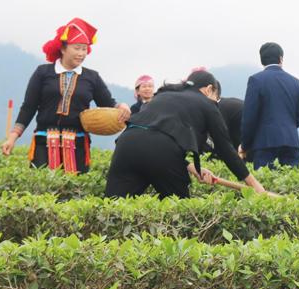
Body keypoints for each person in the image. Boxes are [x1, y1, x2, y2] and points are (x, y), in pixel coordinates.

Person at [105, 70, 266, 198]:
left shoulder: (163, 94)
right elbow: (226, 150)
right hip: (161, 151)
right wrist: (256, 186)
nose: (216, 103)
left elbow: (153, 136)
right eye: (216, 99)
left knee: (113, 207)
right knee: (178, 210)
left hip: (126, 145)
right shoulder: (207, 104)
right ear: (209, 89)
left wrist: (194, 168)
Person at [0, 18, 130, 174]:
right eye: (77, 48)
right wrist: (13, 137)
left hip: (78, 145)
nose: (81, 53)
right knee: (42, 188)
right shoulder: (43, 72)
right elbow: (28, 107)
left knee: (75, 191)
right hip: (44, 142)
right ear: (62, 48)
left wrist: (121, 107)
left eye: (84, 49)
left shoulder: (92, 77)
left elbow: (108, 103)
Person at [241, 42, 299, 169]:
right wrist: (289, 126)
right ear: (281, 59)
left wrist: (245, 145)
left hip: (265, 142)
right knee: (291, 184)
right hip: (291, 142)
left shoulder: (256, 80)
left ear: (261, 61)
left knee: (265, 185)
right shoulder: (295, 82)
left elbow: (249, 117)